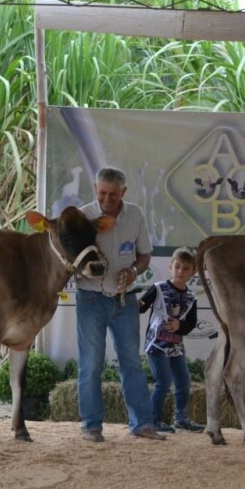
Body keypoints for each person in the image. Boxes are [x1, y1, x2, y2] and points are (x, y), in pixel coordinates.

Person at [75, 167, 165, 443]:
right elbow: (69, 257)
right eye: (102, 193)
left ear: (123, 192)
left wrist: (134, 272)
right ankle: (91, 426)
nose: (107, 199)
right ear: (95, 188)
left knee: (131, 363)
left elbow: (145, 256)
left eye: (113, 194)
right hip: (90, 297)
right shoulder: (82, 217)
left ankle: (142, 424)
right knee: (90, 364)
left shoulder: (135, 215)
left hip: (125, 298)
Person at [139, 247, 204, 433]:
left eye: (186, 269)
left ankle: (181, 419)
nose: (180, 272)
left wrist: (179, 327)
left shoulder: (191, 297)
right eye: (177, 267)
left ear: (193, 273)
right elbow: (141, 307)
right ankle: (154, 421)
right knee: (163, 383)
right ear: (170, 267)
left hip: (176, 347)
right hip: (156, 346)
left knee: (183, 383)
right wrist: (130, 301)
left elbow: (191, 323)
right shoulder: (158, 288)